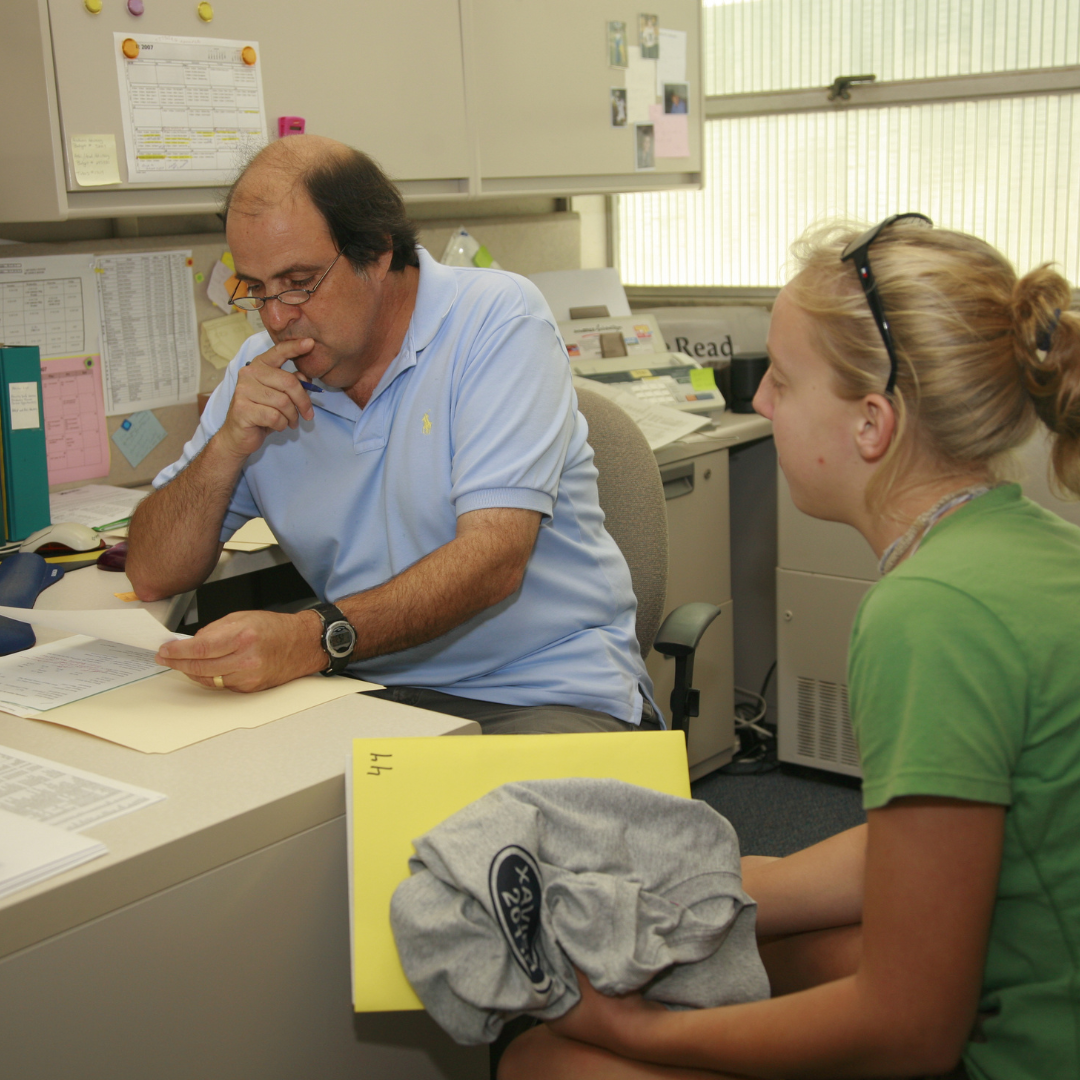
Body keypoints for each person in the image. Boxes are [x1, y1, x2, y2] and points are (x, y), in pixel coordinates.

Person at [499, 215, 1080, 1077]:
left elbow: (910, 1032)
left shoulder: (928, 614)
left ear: (872, 424)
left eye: (784, 378)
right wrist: (700, 895)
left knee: (548, 1062)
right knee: (761, 954)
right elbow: (918, 841)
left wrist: (639, 1035)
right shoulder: (1033, 542)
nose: (762, 401)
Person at [126, 135, 656, 735]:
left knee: (477, 829)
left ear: (377, 253)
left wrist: (309, 638)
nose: (276, 317)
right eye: (255, 288)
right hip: (371, 694)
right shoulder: (260, 371)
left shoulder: (495, 320)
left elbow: (493, 561)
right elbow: (150, 573)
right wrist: (224, 449)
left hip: (544, 690)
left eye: (299, 281)